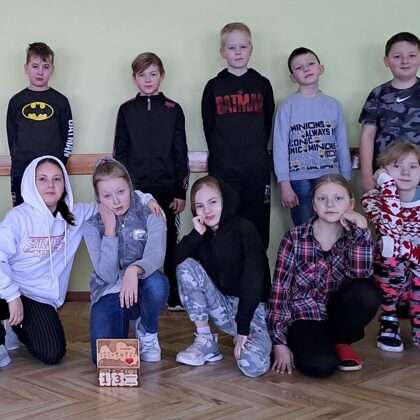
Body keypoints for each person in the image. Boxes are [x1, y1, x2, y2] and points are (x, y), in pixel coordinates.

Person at [0, 155, 159, 368]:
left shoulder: (76, 214)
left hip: (38, 298)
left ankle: (16, 326)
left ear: (64, 184)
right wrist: (12, 296)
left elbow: (111, 196)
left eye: (57, 179)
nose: (50, 185)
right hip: (9, 289)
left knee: (53, 353)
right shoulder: (17, 218)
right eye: (42, 179)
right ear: (31, 182)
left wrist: (146, 198)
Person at [266, 174, 380, 378]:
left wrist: (362, 228)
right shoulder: (294, 238)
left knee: (367, 291)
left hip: (336, 315)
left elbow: (361, 275)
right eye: (322, 198)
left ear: (350, 204)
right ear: (313, 204)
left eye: (338, 198)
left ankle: (341, 342)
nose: (330, 204)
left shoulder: (355, 237)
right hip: (304, 315)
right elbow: (279, 292)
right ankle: (310, 344)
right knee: (322, 366)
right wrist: (279, 342)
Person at [173, 176, 272, 378]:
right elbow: (173, 262)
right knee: (185, 266)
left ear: (225, 200)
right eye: (200, 206)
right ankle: (206, 341)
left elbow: (253, 278)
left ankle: (244, 338)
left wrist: (243, 328)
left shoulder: (244, 228)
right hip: (223, 307)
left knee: (253, 366)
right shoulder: (202, 235)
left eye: (213, 202)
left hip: (253, 313)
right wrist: (196, 235)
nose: (207, 210)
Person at [114, 52, 189, 311]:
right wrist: (123, 190)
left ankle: (172, 294)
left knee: (168, 240)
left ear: (162, 76)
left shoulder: (173, 109)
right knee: (133, 240)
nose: (148, 80)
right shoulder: (126, 110)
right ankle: (131, 290)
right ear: (134, 78)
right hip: (134, 191)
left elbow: (180, 151)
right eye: (142, 75)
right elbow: (120, 152)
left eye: (153, 74)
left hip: (167, 190)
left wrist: (180, 191)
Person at [83, 158, 169, 364]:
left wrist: (133, 270)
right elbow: (107, 275)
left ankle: (146, 330)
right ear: (98, 198)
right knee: (104, 359)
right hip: (109, 291)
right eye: (107, 196)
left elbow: (156, 254)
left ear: (130, 188)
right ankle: (124, 321)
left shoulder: (151, 211)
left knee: (157, 284)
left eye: (120, 192)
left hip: (142, 285)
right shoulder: (91, 225)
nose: (116, 201)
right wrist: (110, 231)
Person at [201, 22, 275, 248]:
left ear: (251, 49)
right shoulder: (213, 87)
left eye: (243, 47)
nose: (238, 52)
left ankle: (258, 271)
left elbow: (267, 122)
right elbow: (209, 125)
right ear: (222, 52)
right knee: (225, 227)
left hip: (256, 169)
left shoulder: (262, 84)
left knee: (257, 229)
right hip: (224, 170)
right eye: (231, 48)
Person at [273, 47, 351, 226]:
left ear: (320, 68)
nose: (306, 69)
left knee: (335, 228)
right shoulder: (287, 107)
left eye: (310, 64)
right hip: (299, 180)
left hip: (331, 177)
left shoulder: (333, 105)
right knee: (305, 230)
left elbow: (341, 144)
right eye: (299, 68)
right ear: (292, 77)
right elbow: (280, 147)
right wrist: (284, 184)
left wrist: (346, 180)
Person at [362, 141, 420, 352]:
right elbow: (390, 234)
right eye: (397, 166)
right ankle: (389, 319)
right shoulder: (372, 199)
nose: (405, 172)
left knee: (394, 250)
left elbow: (394, 244)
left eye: (413, 166)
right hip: (392, 276)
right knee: (389, 255)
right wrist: (388, 187)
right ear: (383, 171)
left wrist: (404, 251)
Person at [6, 42, 73, 207]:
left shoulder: (61, 101)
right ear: (26, 68)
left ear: (52, 70)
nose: (40, 72)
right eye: (35, 66)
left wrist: (60, 163)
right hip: (21, 170)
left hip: (53, 171)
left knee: (55, 214)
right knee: (22, 213)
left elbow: (69, 135)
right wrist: (17, 159)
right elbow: (11, 135)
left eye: (45, 67)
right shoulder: (16, 101)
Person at [359, 32, 420, 193]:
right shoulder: (378, 94)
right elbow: (367, 136)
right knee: (386, 210)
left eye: (412, 55)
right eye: (397, 56)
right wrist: (366, 176)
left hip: (417, 174)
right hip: (384, 176)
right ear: (386, 61)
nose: (405, 61)